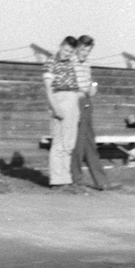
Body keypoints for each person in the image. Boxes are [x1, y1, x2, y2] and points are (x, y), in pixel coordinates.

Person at [70, 35, 117, 191]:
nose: (85, 53)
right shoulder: (70, 62)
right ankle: (76, 179)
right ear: (77, 47)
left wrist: (93, 85)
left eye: (88, 50)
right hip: (76, 103)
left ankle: (101, 181)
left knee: (89, 143)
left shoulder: (87, 64)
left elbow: (90, 82)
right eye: (83, 49)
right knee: (79, 143)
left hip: (88, 102)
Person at [43, 36, 82, 190]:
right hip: (59, 99)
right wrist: (55, 107)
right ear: (61, 46)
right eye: (66, 50)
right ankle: (56, 179)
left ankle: (65, 179)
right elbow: (48, 88)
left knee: (69, 142)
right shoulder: (50, 62)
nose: (67, 53)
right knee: (59, 142)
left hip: (73, 100)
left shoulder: (72, 62)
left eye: (71, 51)